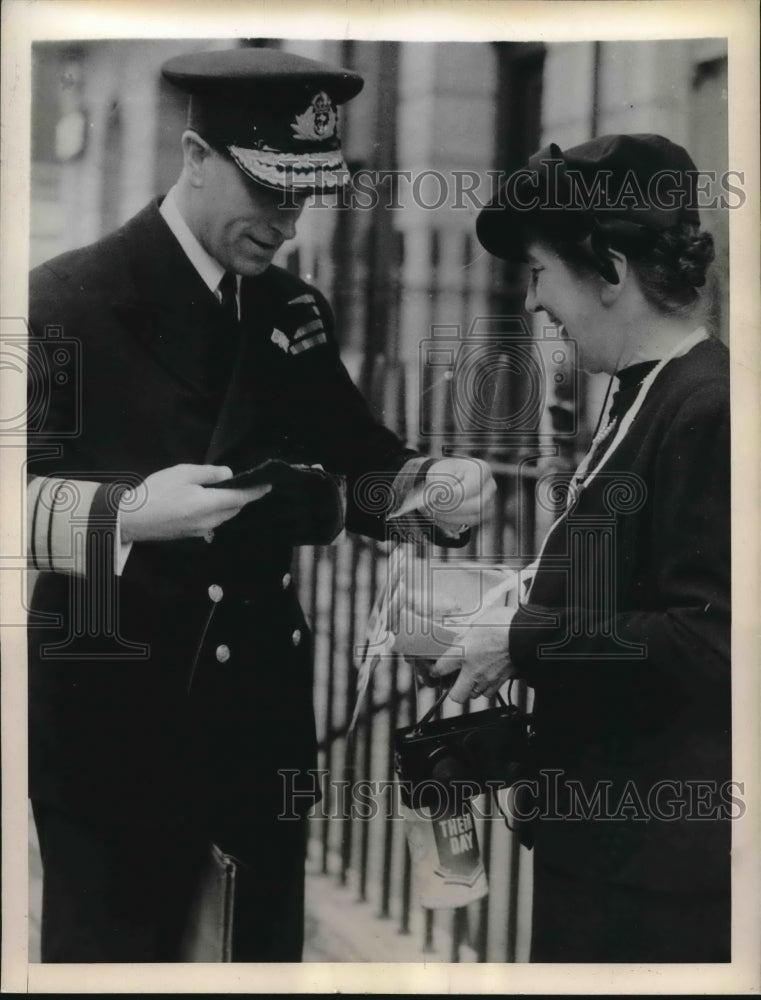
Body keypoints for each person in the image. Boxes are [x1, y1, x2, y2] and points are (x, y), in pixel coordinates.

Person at [26, 46, 495, 963]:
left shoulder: (290, 310)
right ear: (197, 158)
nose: (287, 222)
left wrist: (432, 485)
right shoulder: (65, 302)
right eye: (269, 191)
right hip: (113, 726)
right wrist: (127, 515)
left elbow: (364, 464)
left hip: (256, 728)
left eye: (304, 196)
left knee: (253, 957)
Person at [422, 134, 731, 962]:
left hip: (653, 891)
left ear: (609, 270)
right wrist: (519, 597)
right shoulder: (649, 390)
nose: (531, 303)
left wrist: (521, 640)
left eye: (539, 273)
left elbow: (711, 641)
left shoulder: (709, 407)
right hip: (607, 857)